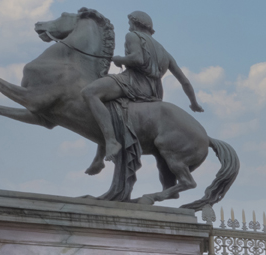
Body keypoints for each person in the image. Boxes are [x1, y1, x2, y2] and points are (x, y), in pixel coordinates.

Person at [81, 11, 203, 164]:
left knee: (90, 92)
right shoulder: (164, 51)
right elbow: (184, 81)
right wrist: (194, 103)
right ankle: (99, 157)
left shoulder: (133, 36)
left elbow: (137, 59)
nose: (129, 27)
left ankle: (111, 141)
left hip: (133, 82)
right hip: (154, 92)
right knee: (109, 106)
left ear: (135, 22)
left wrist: (119, 59)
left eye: (130, 23)